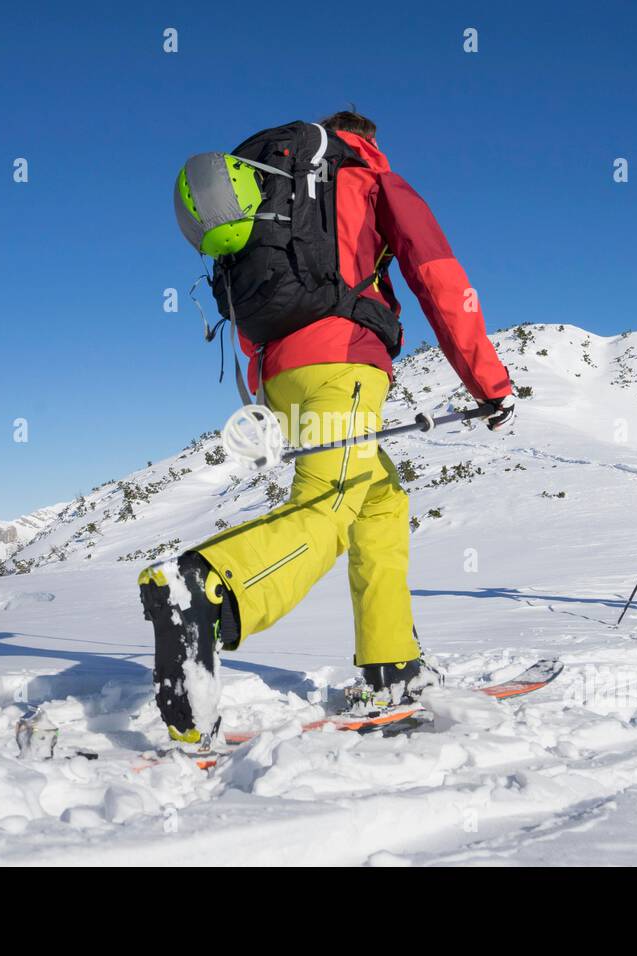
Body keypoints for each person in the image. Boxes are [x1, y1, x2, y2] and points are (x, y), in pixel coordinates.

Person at [140, 110, 515, 748]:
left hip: (281, 374)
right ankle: (209, 587)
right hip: (340, 360)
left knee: (379, 503)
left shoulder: (275, 182)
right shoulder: (366, 175)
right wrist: (489, 384)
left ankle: (392, 666)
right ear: (367, 139)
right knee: (329, 502)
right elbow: (438, 276)